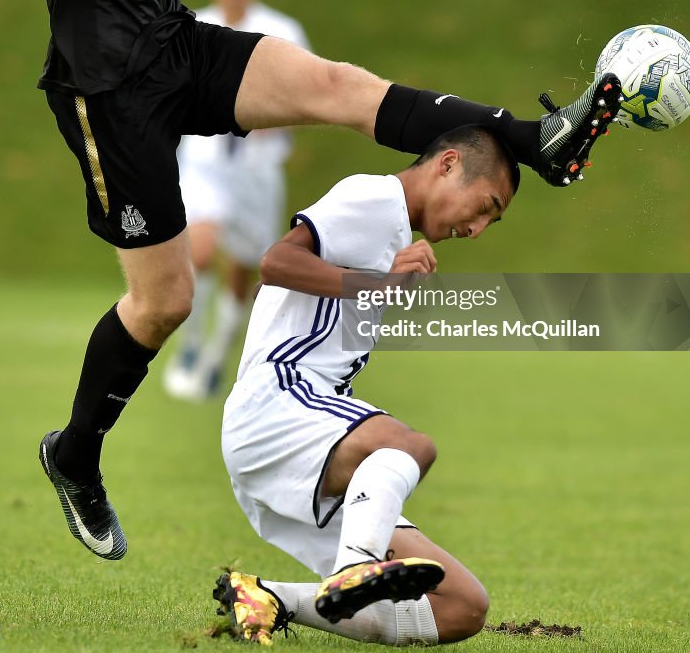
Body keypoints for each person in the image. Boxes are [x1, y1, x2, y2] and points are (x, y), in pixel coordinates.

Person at [28, 0, 621, 562]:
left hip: (171, 44)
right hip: (108, 88)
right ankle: (74, 455)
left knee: (335, 85)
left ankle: (533, 140)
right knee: (166, 302)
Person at [214, 126, 517, 646]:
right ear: (447, 165)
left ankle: (269, 598)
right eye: (485, 205)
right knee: (412, 447)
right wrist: (376, 285)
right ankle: (354, 568)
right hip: (276, 403)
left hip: (293, 449)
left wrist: (380, 279)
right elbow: (275, 263)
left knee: (462, 607)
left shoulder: (390, 235)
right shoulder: (376, 197)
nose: (479, 228)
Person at [164, 0, 311, 401]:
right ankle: (188, 345)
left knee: (246, 268)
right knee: (201, 251)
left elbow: (309, 96)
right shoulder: (192, 28)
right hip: (205, 164)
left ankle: (216, 355)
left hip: (257, 171)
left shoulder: (283, 31)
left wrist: (272, 114)